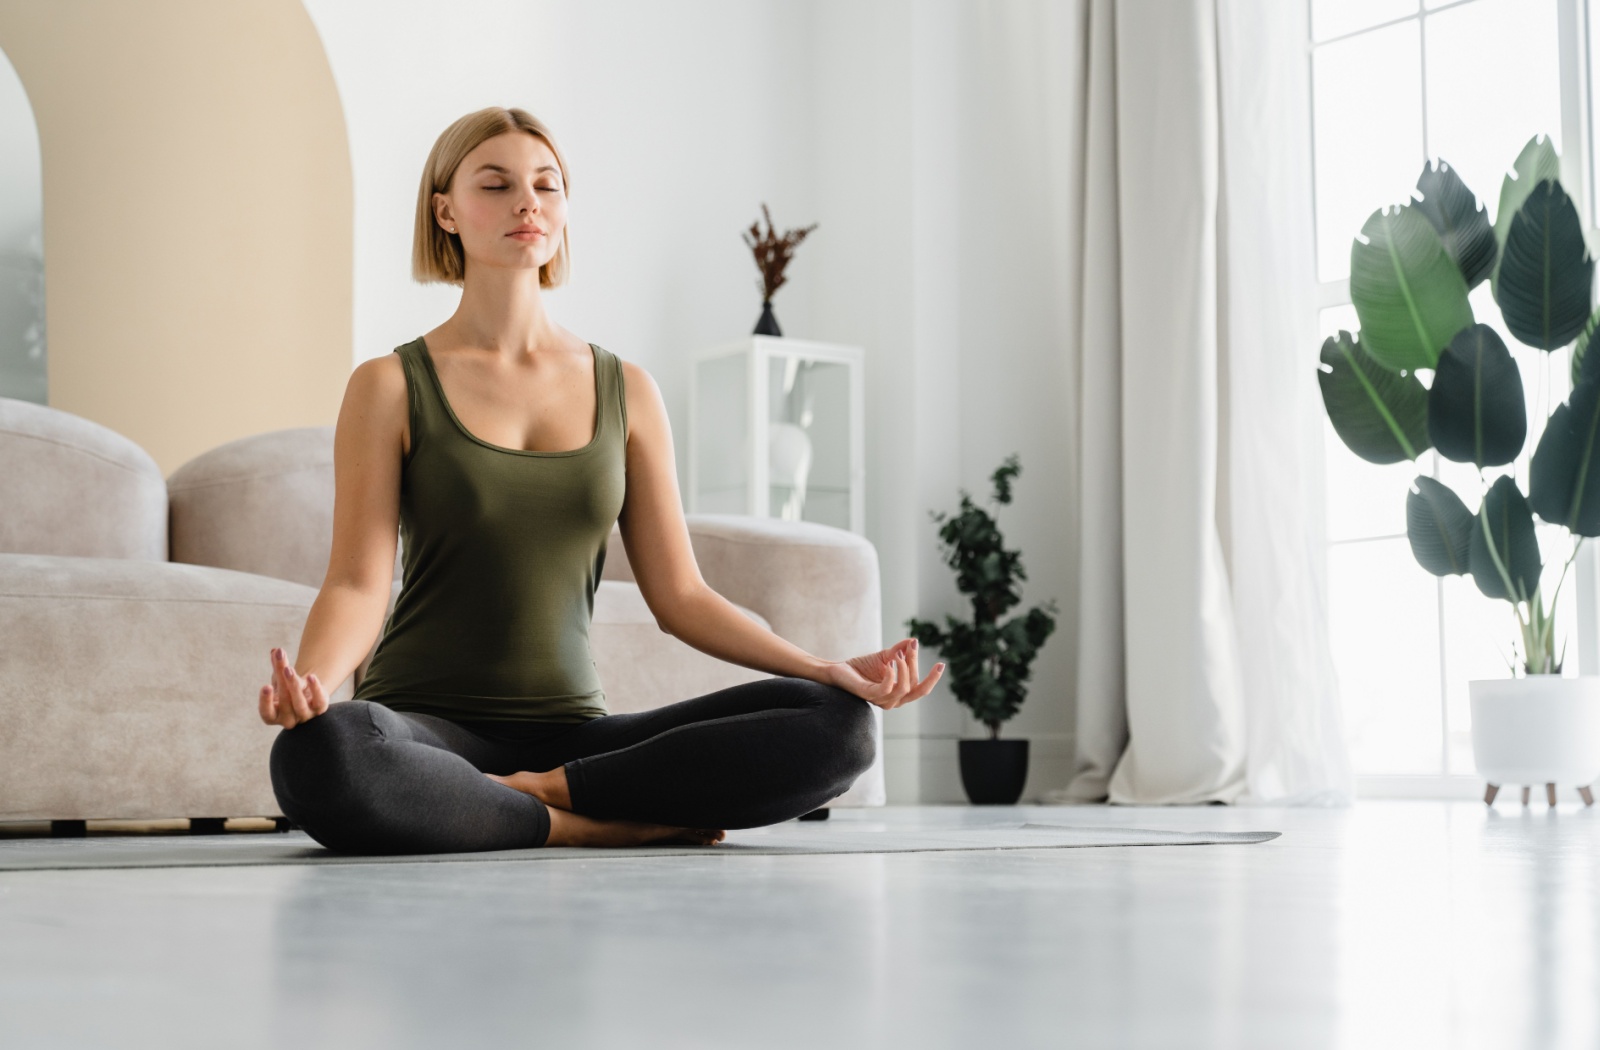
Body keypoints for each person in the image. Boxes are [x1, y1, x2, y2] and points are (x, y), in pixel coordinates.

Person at [259, 106, 943, 855]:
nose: (528, 203)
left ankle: (542, 797)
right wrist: (315, 689)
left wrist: (826, 667)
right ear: (445, 211)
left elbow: (682, 597)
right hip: (424, 729)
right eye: (497, 185)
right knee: (318, 756)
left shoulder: (628, 389)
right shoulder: (388, 384)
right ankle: (586, 827)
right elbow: (358, 584)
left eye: (547, 186)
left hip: (578, 740)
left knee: (839, 727)